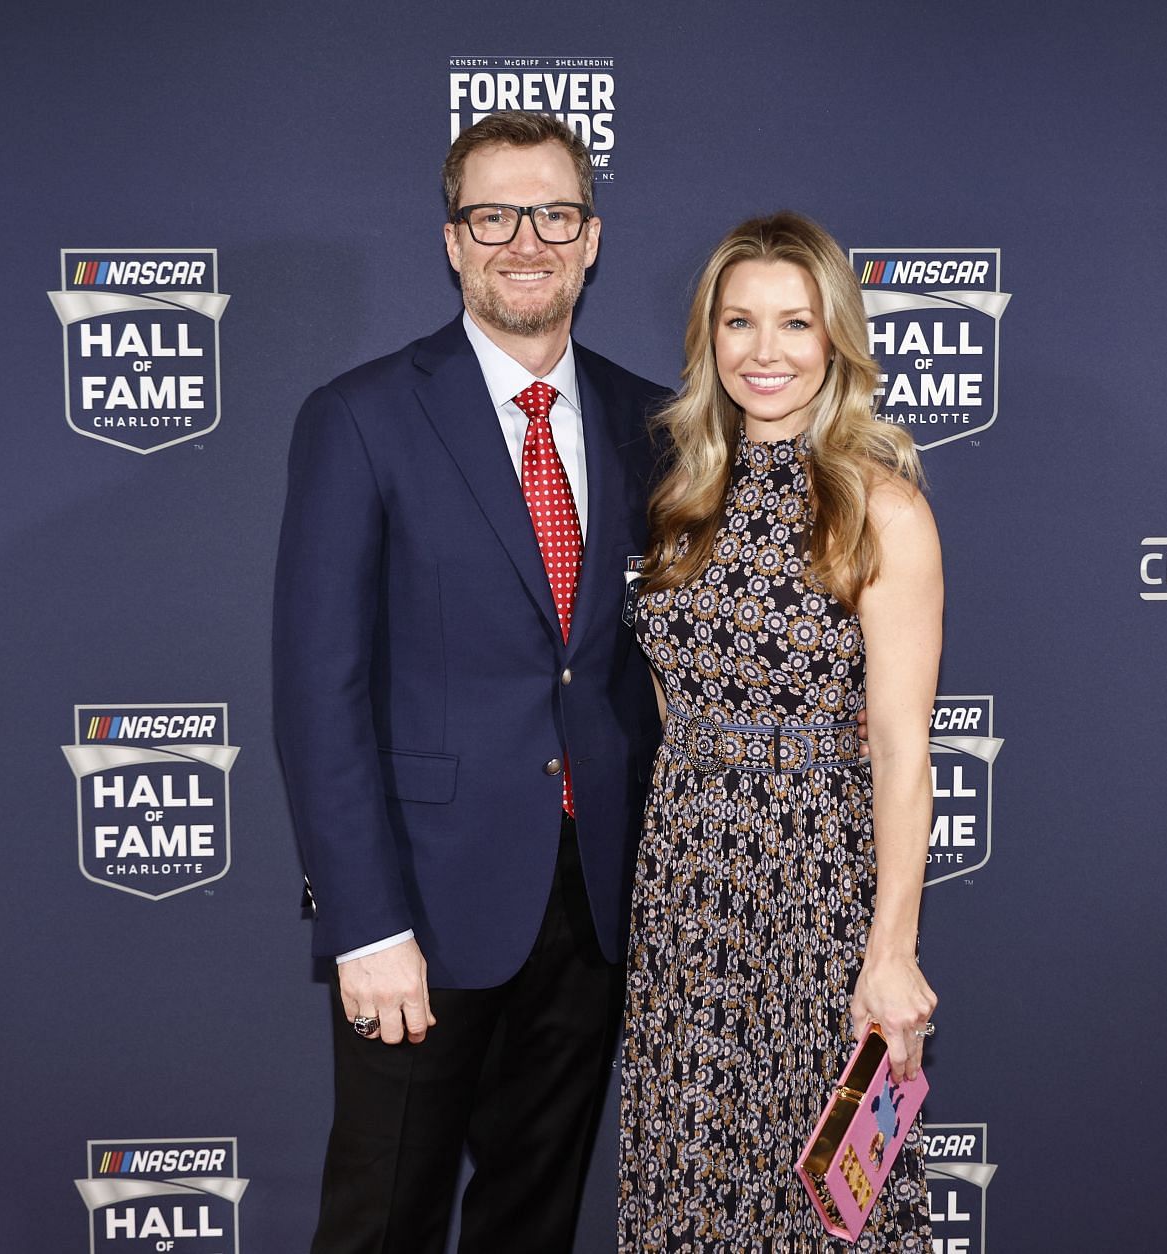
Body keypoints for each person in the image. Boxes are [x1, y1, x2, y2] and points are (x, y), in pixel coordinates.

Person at [272, 111, 668, 1253]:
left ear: (591, 239)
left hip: (596, 905)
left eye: (553, 213)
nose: (524, 241)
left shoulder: (658, 423)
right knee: (382, 1220)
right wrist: (364, 923)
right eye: (492, 215)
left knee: (531, 1222)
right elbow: (318, 692)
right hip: (424, 917)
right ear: (452, 241)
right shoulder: (359, 418)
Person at [618, 212, 942, 1250]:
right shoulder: (681, 496)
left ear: (836, 340)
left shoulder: (877, 507)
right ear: (707, 338)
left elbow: (900, 750)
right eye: (739, 322)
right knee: (691, 1167)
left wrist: (891, 952)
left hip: (812, 878)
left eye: (795, 324)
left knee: (815, 1194)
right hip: (684, 882)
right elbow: (672, 698)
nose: (765, 352)